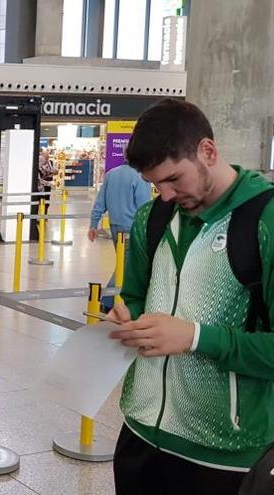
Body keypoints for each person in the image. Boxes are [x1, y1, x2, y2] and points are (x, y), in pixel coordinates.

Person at [108, 98, 274, 494]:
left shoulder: (263, 220)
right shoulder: (155, 217)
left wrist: (194, 337)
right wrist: (125, 314)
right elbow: (134, 294)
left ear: (208, 152)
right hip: (140, 434)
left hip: (224, 455)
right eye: (156, 184)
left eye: (174, 179)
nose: (165, 194)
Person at [87, 162, 151, 310]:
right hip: (133, 227)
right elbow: (145, 207)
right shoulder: (140, 176)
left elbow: (100, 201)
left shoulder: (111, 174)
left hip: (115, 226)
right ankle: (106, 302)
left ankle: (120, 299)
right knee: (126, 266)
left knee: (125, 264)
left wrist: (93, 224)